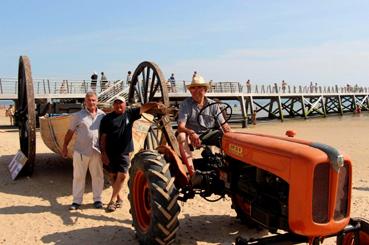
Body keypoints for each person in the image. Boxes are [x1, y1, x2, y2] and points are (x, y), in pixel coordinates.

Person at [99, 96, 166, 212]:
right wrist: (103, 153)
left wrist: (155, 104)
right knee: (113, 176)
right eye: (116, 103)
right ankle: (119, 198)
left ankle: (112, 200)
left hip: (124, 151)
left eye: (121, 103)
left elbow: (144, 108)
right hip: (110, 152)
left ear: (125, 105)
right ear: (113, 105)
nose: (118, 106)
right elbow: (103, 137)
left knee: (123, 175)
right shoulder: (107, 119)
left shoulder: (129, 114)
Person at [177, 74, 231, 185]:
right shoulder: (185, 104)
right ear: (190, 91)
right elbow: (181, 126)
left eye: (199, 87)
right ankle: (192, 173)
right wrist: (191, 132)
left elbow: (224, 125)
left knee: (228, 137)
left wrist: (233, 135)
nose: (196, 90)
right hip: (191, 135)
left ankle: (227, 169)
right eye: (193, 88)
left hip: (208, 133)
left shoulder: (213, 105)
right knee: (181, 136)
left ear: (205, 90)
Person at [62, 91, 105, 210]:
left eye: (93, 100)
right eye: (89, 100)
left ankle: (97, 199)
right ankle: (76, 201)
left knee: (97, 176)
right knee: (79, 177)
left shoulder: (102, 115)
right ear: (85, 102)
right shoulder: (78, 116)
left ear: (97, 101)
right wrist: (65, 146)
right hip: (81, 151)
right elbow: (70, 132)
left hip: (97, 151)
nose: (91, 102)